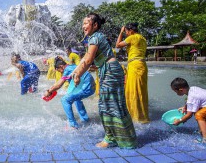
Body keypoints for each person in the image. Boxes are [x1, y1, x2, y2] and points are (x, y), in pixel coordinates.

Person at [72, 12, 137, 149]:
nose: (83, 26)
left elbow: (88, 60)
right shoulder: (96, 37)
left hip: (110, 71)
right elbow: (87, 59)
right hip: (109, 70)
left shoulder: (95, 37)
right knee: (112, 105)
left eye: (86, 23)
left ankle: (114, 139)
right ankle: (122, 138)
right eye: (83, 23)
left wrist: (78, 74)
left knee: (107, 106)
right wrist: (76, 71)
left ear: (95, 25)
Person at [44, 58, 95, 128]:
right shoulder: (73, 66)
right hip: (91, 87)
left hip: (87, 87)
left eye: (59, 71)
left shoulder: (67, 70)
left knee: (64, 100)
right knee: (76, 99)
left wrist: (49, 91)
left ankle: (73, 125)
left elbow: (59, 84)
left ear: (61, 66)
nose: (61, 73)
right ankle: (85, 119)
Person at [115, 23, 150, 124]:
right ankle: (141, 114)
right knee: (140, 90)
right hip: (141, 65)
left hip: (135, 65)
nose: (126, 34)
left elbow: (117, 46)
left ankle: (136, 117)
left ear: (131, 30)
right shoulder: (143, 38)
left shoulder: (133, 37)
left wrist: (120, 33)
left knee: (133, 90)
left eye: (126, 31)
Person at [171, 77, 206, 144]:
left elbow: (189, 115)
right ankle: (202, 130)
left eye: (176, 91)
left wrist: (179, 121)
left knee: (199, 114)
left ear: (181, 90)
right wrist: (185, 106)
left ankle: (205, 139)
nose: (176, 93)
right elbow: (196, 101)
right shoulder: (192, 88)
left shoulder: (191, 98)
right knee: (197, 112)